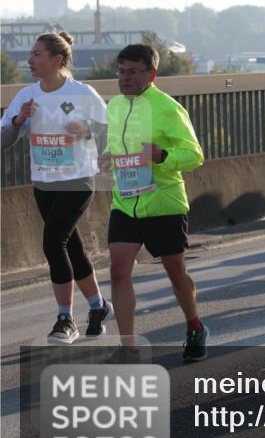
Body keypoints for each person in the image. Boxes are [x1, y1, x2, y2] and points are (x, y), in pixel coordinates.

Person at [1, 31, 110, 344]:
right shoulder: (26, 96)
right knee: (70, 247)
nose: (29, 60)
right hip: (44, 182)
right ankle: (99, 306)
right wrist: (18, 121)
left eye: (37, 54)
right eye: (31, 54)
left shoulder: (82, 93)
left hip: (78, 180)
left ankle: (66, 318)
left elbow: (108, 132)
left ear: (57, 59)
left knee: (53, 242)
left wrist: (86, 130)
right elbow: (3, 140)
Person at [100, 44, 207, 361]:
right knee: (119, 272)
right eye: (121, 71)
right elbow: (114, 145)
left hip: (163, 203)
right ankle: (128, 346)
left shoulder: (167, 108)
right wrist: (107, 156)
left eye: (134, 71)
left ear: (152, 74)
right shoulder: (115, 106)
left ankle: (195, 326)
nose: (125, 78)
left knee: (175, 272)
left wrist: (161, 155)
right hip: (125, 203)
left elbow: (195, 156)